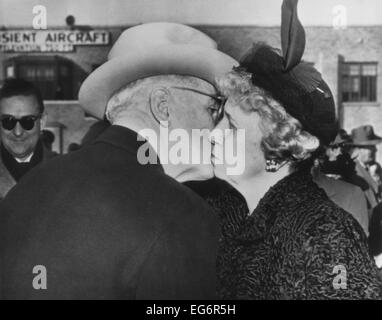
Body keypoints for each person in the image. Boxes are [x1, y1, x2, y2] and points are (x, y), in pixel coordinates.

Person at [0, 22, 238, 299]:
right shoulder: (182, 213)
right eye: (213, 107)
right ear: (162, 106)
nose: (219, 127)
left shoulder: (30, 187)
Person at [208, 0, 381, 299]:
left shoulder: (327, 234)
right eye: (220, 117)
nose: (213, 134)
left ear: (276, 152)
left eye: (232, 126)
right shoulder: (219, 211)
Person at [0, 78, 57, 200]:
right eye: (8, 121)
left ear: (42, 122)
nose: (18, 132)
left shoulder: (63, 171)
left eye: (28, 122)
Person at [315, 132, 369, 235]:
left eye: (342, 147)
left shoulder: (355, 186)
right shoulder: (308, 183)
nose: (340, 152)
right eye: (334, 147)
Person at [349, 125, 382, 216]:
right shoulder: (351, 171)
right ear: (358, 149)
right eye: (371, 147)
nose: (375, 150)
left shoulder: (376, 168)